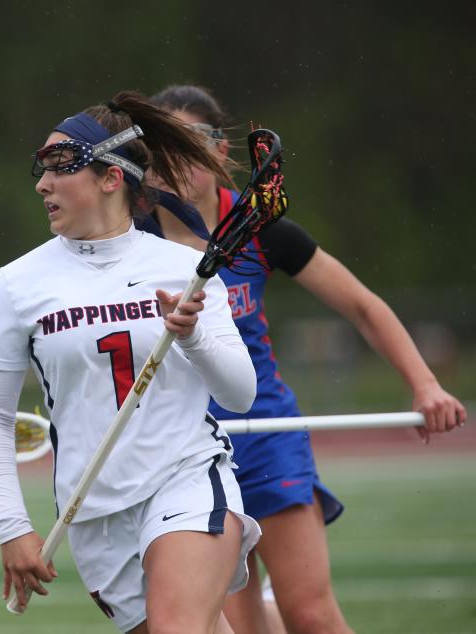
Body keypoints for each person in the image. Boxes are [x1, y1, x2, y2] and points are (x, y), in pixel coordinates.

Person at [144, 84, 468, 634]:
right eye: (164, 145)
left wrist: (425, 385)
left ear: (221, 151)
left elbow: (364, 307)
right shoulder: (130, 243)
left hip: (268, 431)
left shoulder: (260, 228)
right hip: (185, 450)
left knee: (311, 614)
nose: (177, 160)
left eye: (191, 141)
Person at [0, 90, 262, 634]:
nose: (42, 184)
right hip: (94, 517)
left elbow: (241, 394)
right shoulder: (16, 285)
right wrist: (12, 527)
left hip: (185, 479)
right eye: (40, 169)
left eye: (60, 168)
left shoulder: (185, 268)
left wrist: (192, 335)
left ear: (111, 178)